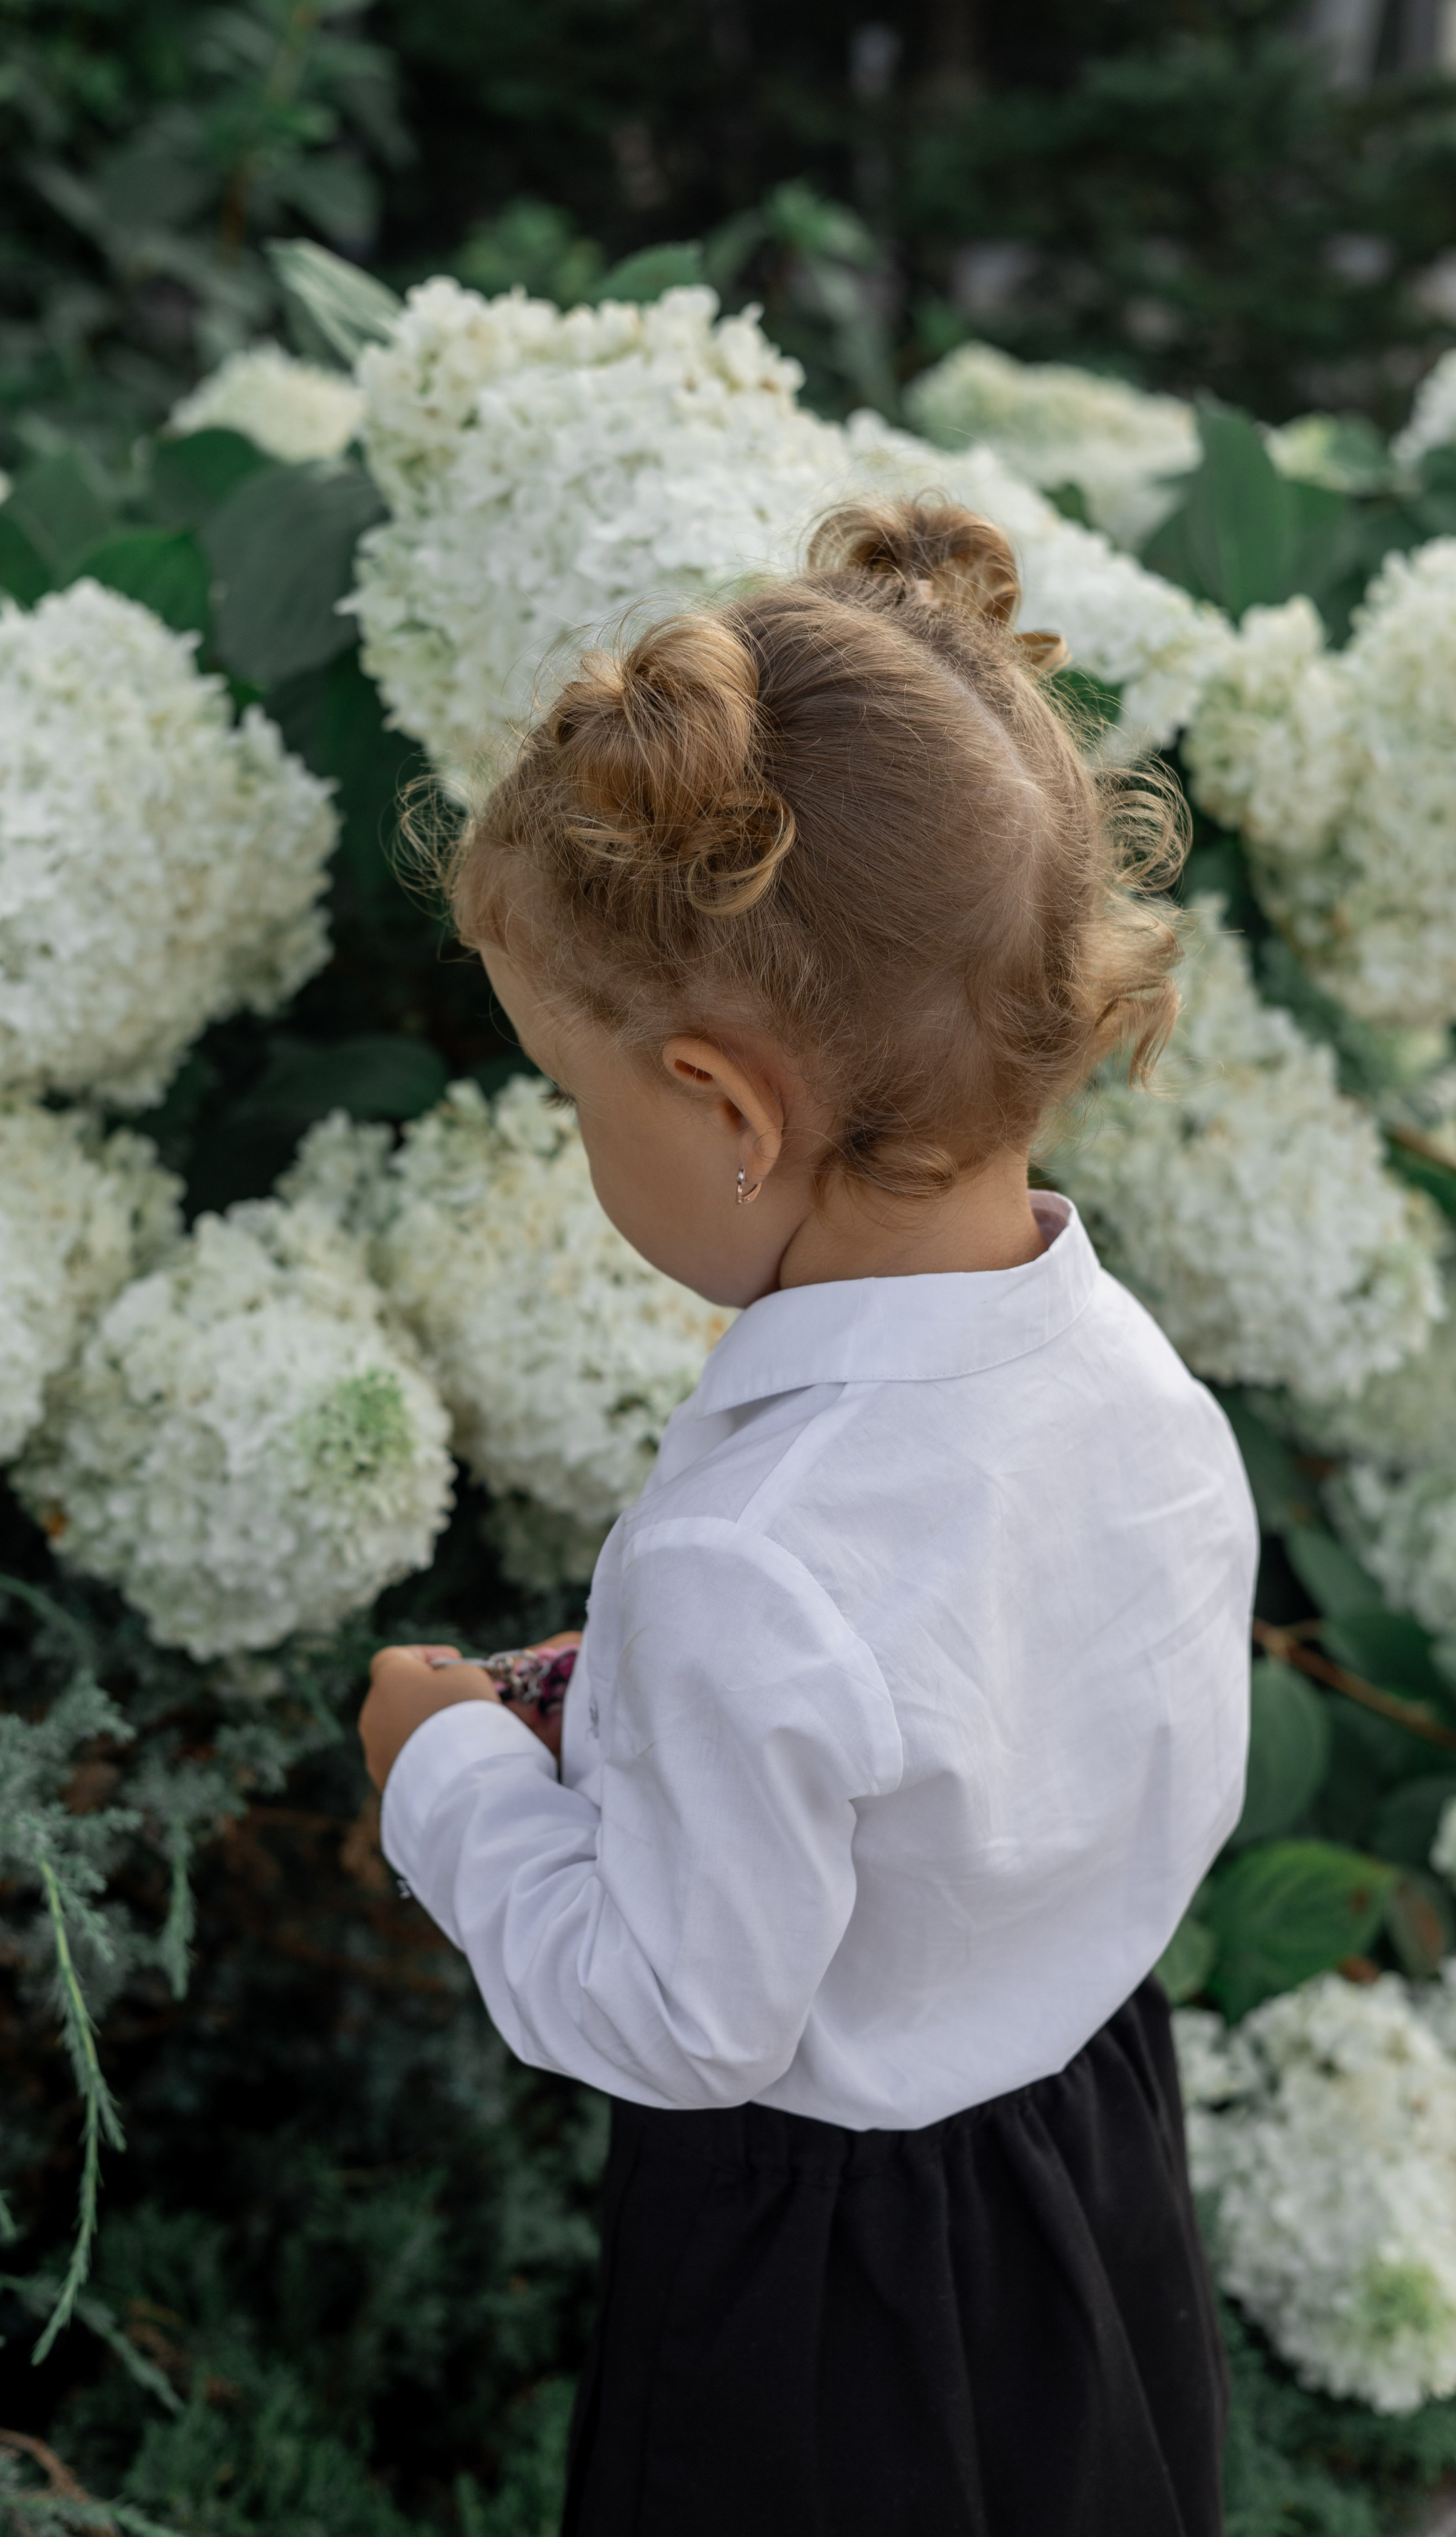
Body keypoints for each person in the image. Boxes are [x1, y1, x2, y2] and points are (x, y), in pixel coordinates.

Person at [360, 499, 1257, 2537]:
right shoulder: (1138, 1388)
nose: (586, 1147)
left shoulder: (745, 1559)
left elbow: (683, 2013)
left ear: (732, 1107)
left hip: (826, 2284)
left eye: (582, 1101)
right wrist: (643, 1718)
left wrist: (452, 1782)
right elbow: (1034, 1749)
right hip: (1081, 2165)